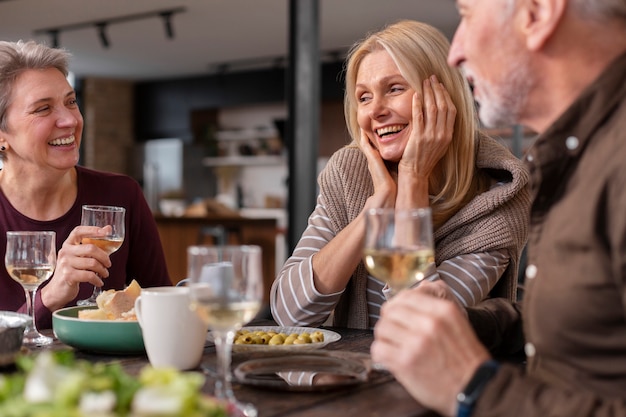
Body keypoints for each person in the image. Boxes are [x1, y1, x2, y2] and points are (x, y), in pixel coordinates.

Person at [371, 1, 626, 416]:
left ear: (537, 14)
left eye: (467, 15)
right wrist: (476, 325)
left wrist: (473, 387)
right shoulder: (579, 151)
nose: (456, 52)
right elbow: (591, 322)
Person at [270, 20, 531, 329]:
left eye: (394, 89)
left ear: (443, 99)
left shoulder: (500, 196)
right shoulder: (349, 172)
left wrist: (413, 178)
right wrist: (374, 210)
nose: (375, 111)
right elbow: (289, 314)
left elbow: (420, 328)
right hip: (353, 373)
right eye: (364, 97)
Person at [0, 40, 171, 329]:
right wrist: (49, 297)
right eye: (43, 109)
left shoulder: (121, 194)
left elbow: (163, 309)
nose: (70, 120)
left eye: (70, 101)